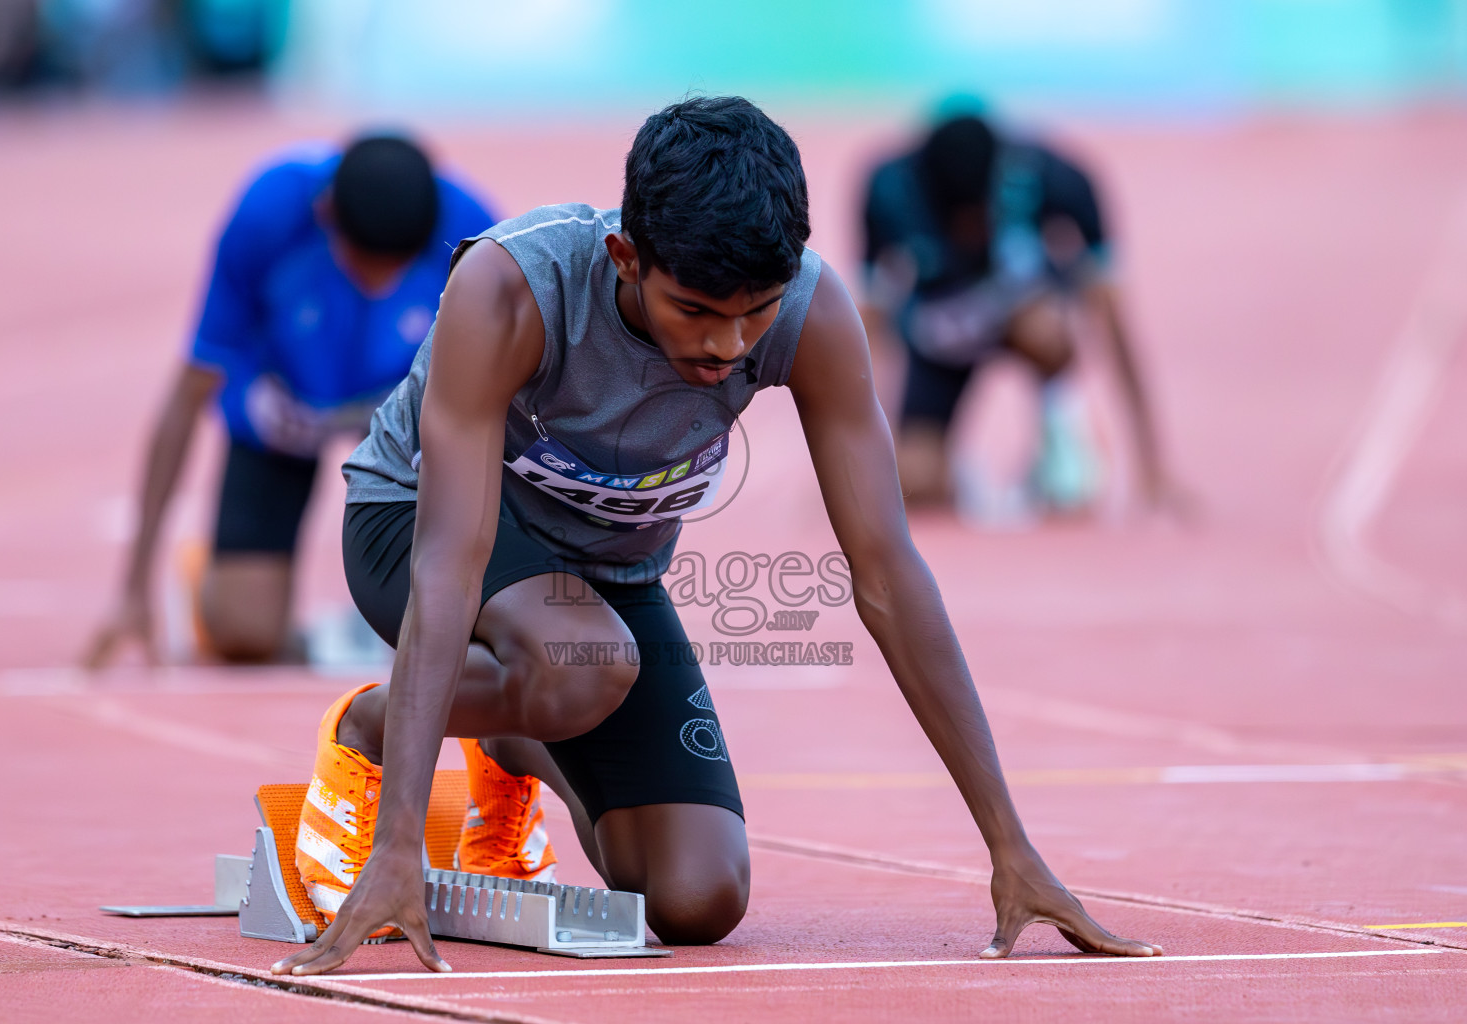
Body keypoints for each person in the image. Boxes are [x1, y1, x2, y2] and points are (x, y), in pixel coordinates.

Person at [272, 97, 1163, 974]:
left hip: (603, 579)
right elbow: (448, 563)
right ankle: (368, 727)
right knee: (583, 661)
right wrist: (397, 846)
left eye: (757, 311)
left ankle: (511, 743)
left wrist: (1011, 847)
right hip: (416, 523)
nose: (729, 346)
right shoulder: (512, 290)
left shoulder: (809, 311)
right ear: (626, 257)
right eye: (695, 310)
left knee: (698, 898)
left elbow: (888, 571)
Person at [84, 134, 497, 666]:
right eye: (364, 264)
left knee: (468, 618)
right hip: (284, 413)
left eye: (395, 269)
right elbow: (189, 392)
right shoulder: (268, 215)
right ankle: (215, 581)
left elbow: (501, 399)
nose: (379, 285)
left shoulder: (472, 232)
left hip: (405, 418)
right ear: (326, 215)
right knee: (245, 635)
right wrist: (134, 585)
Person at [862, 113, 1183, 514]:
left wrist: (1152, 466)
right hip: (941, 337)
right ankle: (955, 470)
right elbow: (868, 327)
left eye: (980, 218)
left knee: (1046, 329)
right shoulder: (889, 189)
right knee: (914, 486)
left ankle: (1061, 441)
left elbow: (1111, 315)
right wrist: (855, 461)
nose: (973, 232)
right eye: (961, 224)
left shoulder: (1056, 178)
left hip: (1024, 316)